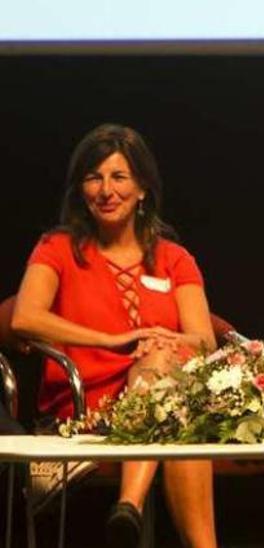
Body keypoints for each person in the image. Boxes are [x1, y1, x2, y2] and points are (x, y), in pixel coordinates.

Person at [11, 124, 218, 548]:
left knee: (169, 390)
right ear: (81, 189)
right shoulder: (57, 247)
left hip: (160, 400)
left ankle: (128, 506)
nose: (106, 190)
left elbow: (205, 341)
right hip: (84, 409)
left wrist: (165, 337)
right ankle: (134, 510)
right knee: (179, 422)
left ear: (142, 188)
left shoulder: (174, 259)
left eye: (119, 177)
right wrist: (108, 340)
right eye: (94, 177)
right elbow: (23, 318)